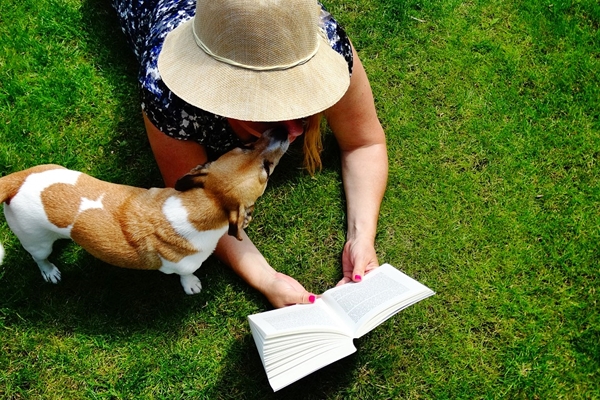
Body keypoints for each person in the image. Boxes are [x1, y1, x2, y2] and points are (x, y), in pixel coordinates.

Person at [112, 0, 388, 308]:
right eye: (265, 107)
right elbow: (197, 204)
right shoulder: (166, 94)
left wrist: (360, 237)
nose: (295, 129)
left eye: (299, 93)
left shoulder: (322, 39)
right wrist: (265, 277)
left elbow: (365, 144)